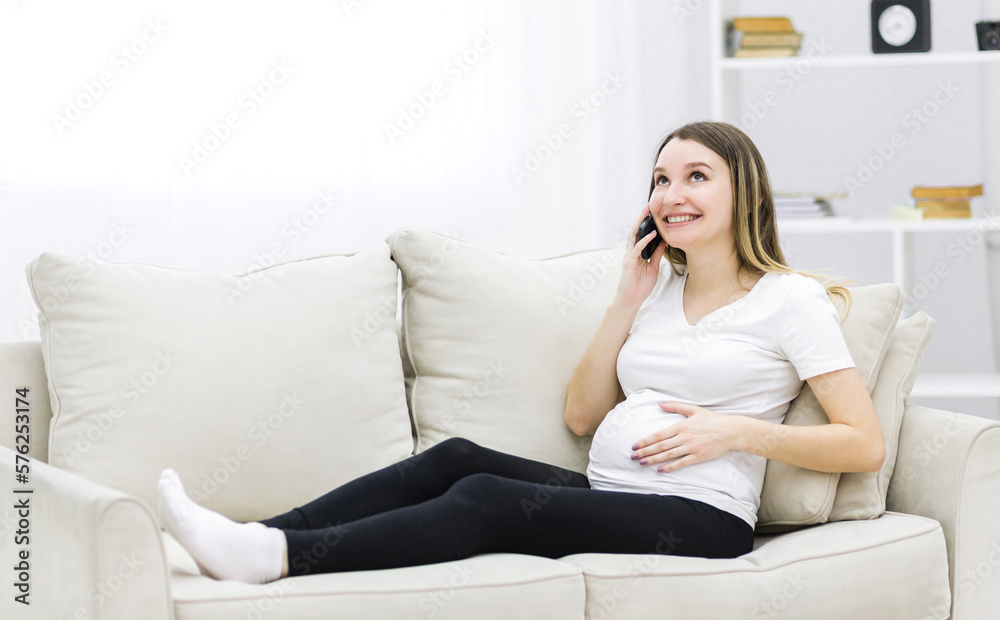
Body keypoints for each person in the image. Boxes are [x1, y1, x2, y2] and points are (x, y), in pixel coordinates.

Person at [157, 120, 886, 585]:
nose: (672, 193)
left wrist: (733, 430)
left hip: (704, 514)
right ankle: (257, 536)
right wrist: (627, 299)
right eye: (662, 179)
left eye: (697, 176)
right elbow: (582, 414)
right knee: (455, 458)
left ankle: (273, 560)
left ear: (747, 196)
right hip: (613, 493)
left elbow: (864, 443)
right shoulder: (657, 291)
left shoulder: (791, 301)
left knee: (486, 501)